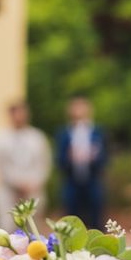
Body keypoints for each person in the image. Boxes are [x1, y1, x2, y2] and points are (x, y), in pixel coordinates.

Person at [0, 102, 52, 231]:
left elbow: (44, 163)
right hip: (8, 192)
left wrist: (34, 183)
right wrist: (17, 184)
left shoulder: (37, 137)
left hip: (33, 191)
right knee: (8, 229)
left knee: (34, 230)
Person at [57, 97, 107, 229]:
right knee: (71, 221)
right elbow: (59, 160)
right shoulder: (64, 133)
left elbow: (106, 157)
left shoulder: (97, 132)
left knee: (96, 220)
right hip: (71, 182)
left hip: (93, 180)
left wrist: (93, 157)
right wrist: (69, 157)